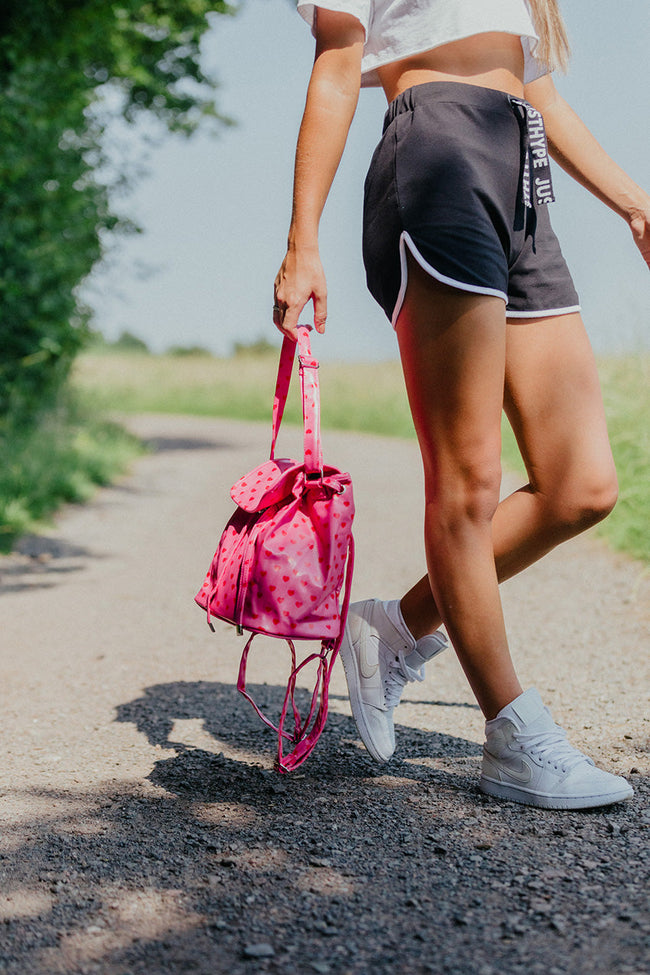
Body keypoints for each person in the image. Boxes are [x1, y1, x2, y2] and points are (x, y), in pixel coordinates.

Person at [272, 0, 649, 809]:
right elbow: (340, 62)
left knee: (581, 485)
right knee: (467, 482)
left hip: (522, 164)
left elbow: (540, 96)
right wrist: (302, 241)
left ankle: (394, 627)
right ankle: (513, 732)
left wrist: (634, 202)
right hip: (435, 153)